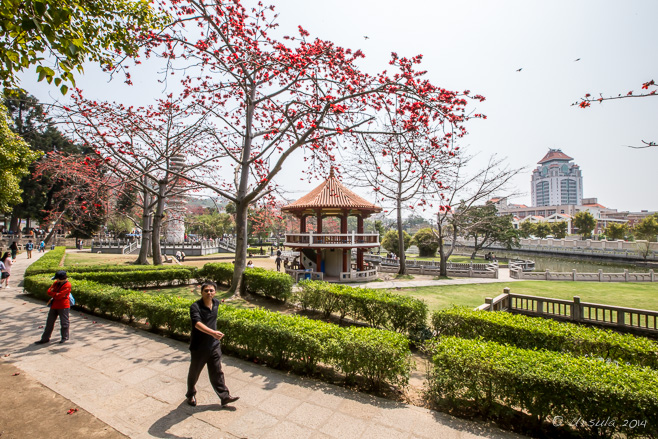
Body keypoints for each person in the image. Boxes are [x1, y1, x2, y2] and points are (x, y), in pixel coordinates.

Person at [185, 281, 239, 408]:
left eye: (211, 290)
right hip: (199, 346)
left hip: (214, 345)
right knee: (195, 372)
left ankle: (224, 396)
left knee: (217, 371)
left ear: (215, 292)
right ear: (201, 292)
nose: (209, 293)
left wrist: (214, 336)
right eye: (206, 291)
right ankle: (190, 394)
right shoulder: (195, 307)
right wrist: (213, 333)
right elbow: (197, 324)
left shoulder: (216, 303)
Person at [35, 270, 71, 344]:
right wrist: (55, 293)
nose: (56, 280)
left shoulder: (67, 285)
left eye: (57, 278)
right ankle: (45, 338)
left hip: (63, 305)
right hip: (54, 305)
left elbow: (59, 296)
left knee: (64, 323)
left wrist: (53, 293)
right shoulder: (56, 283)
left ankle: (65, 337)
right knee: (49, 323)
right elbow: (49, 291)